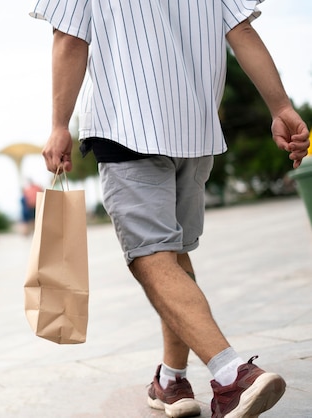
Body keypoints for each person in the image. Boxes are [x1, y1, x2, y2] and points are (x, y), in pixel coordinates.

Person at [30, 1, 310, 417]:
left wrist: (58, 125)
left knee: (150, 258)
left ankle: (232, 374)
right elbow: (242, 32)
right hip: (195, 131)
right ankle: (171, 379)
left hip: (126, 126)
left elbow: (69, 38)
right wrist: (281, 108)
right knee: (172, 256)